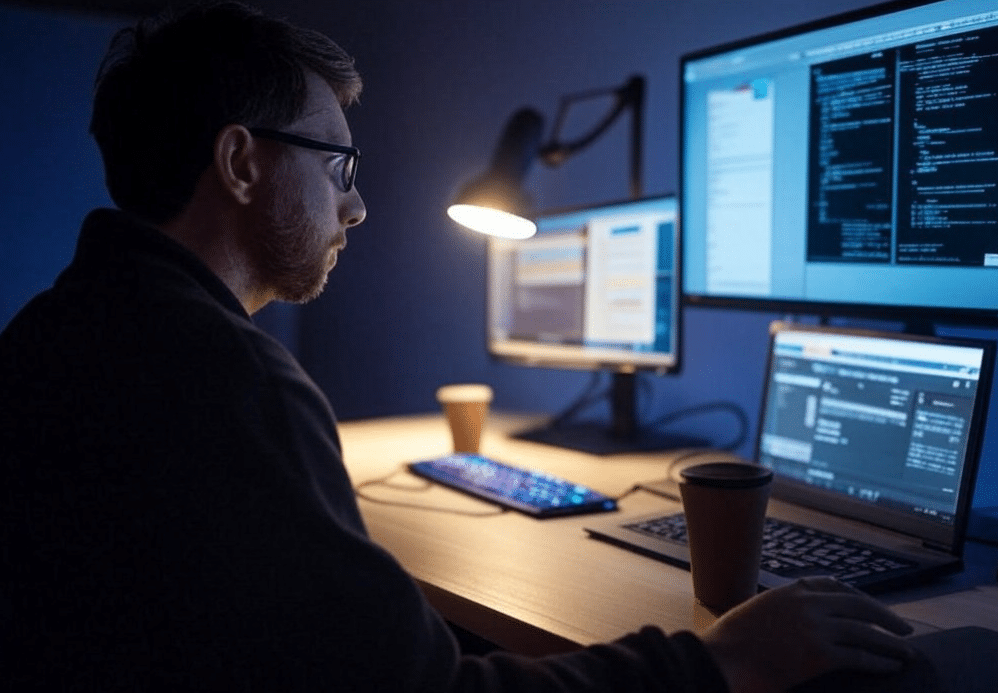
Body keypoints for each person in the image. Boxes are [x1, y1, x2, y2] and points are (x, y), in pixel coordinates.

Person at [0, 2, 915, 691]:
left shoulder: (57, 327)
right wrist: (715, 661)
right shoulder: (229, 380)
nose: (354, 205)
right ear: (240, 163)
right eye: (338, 167)